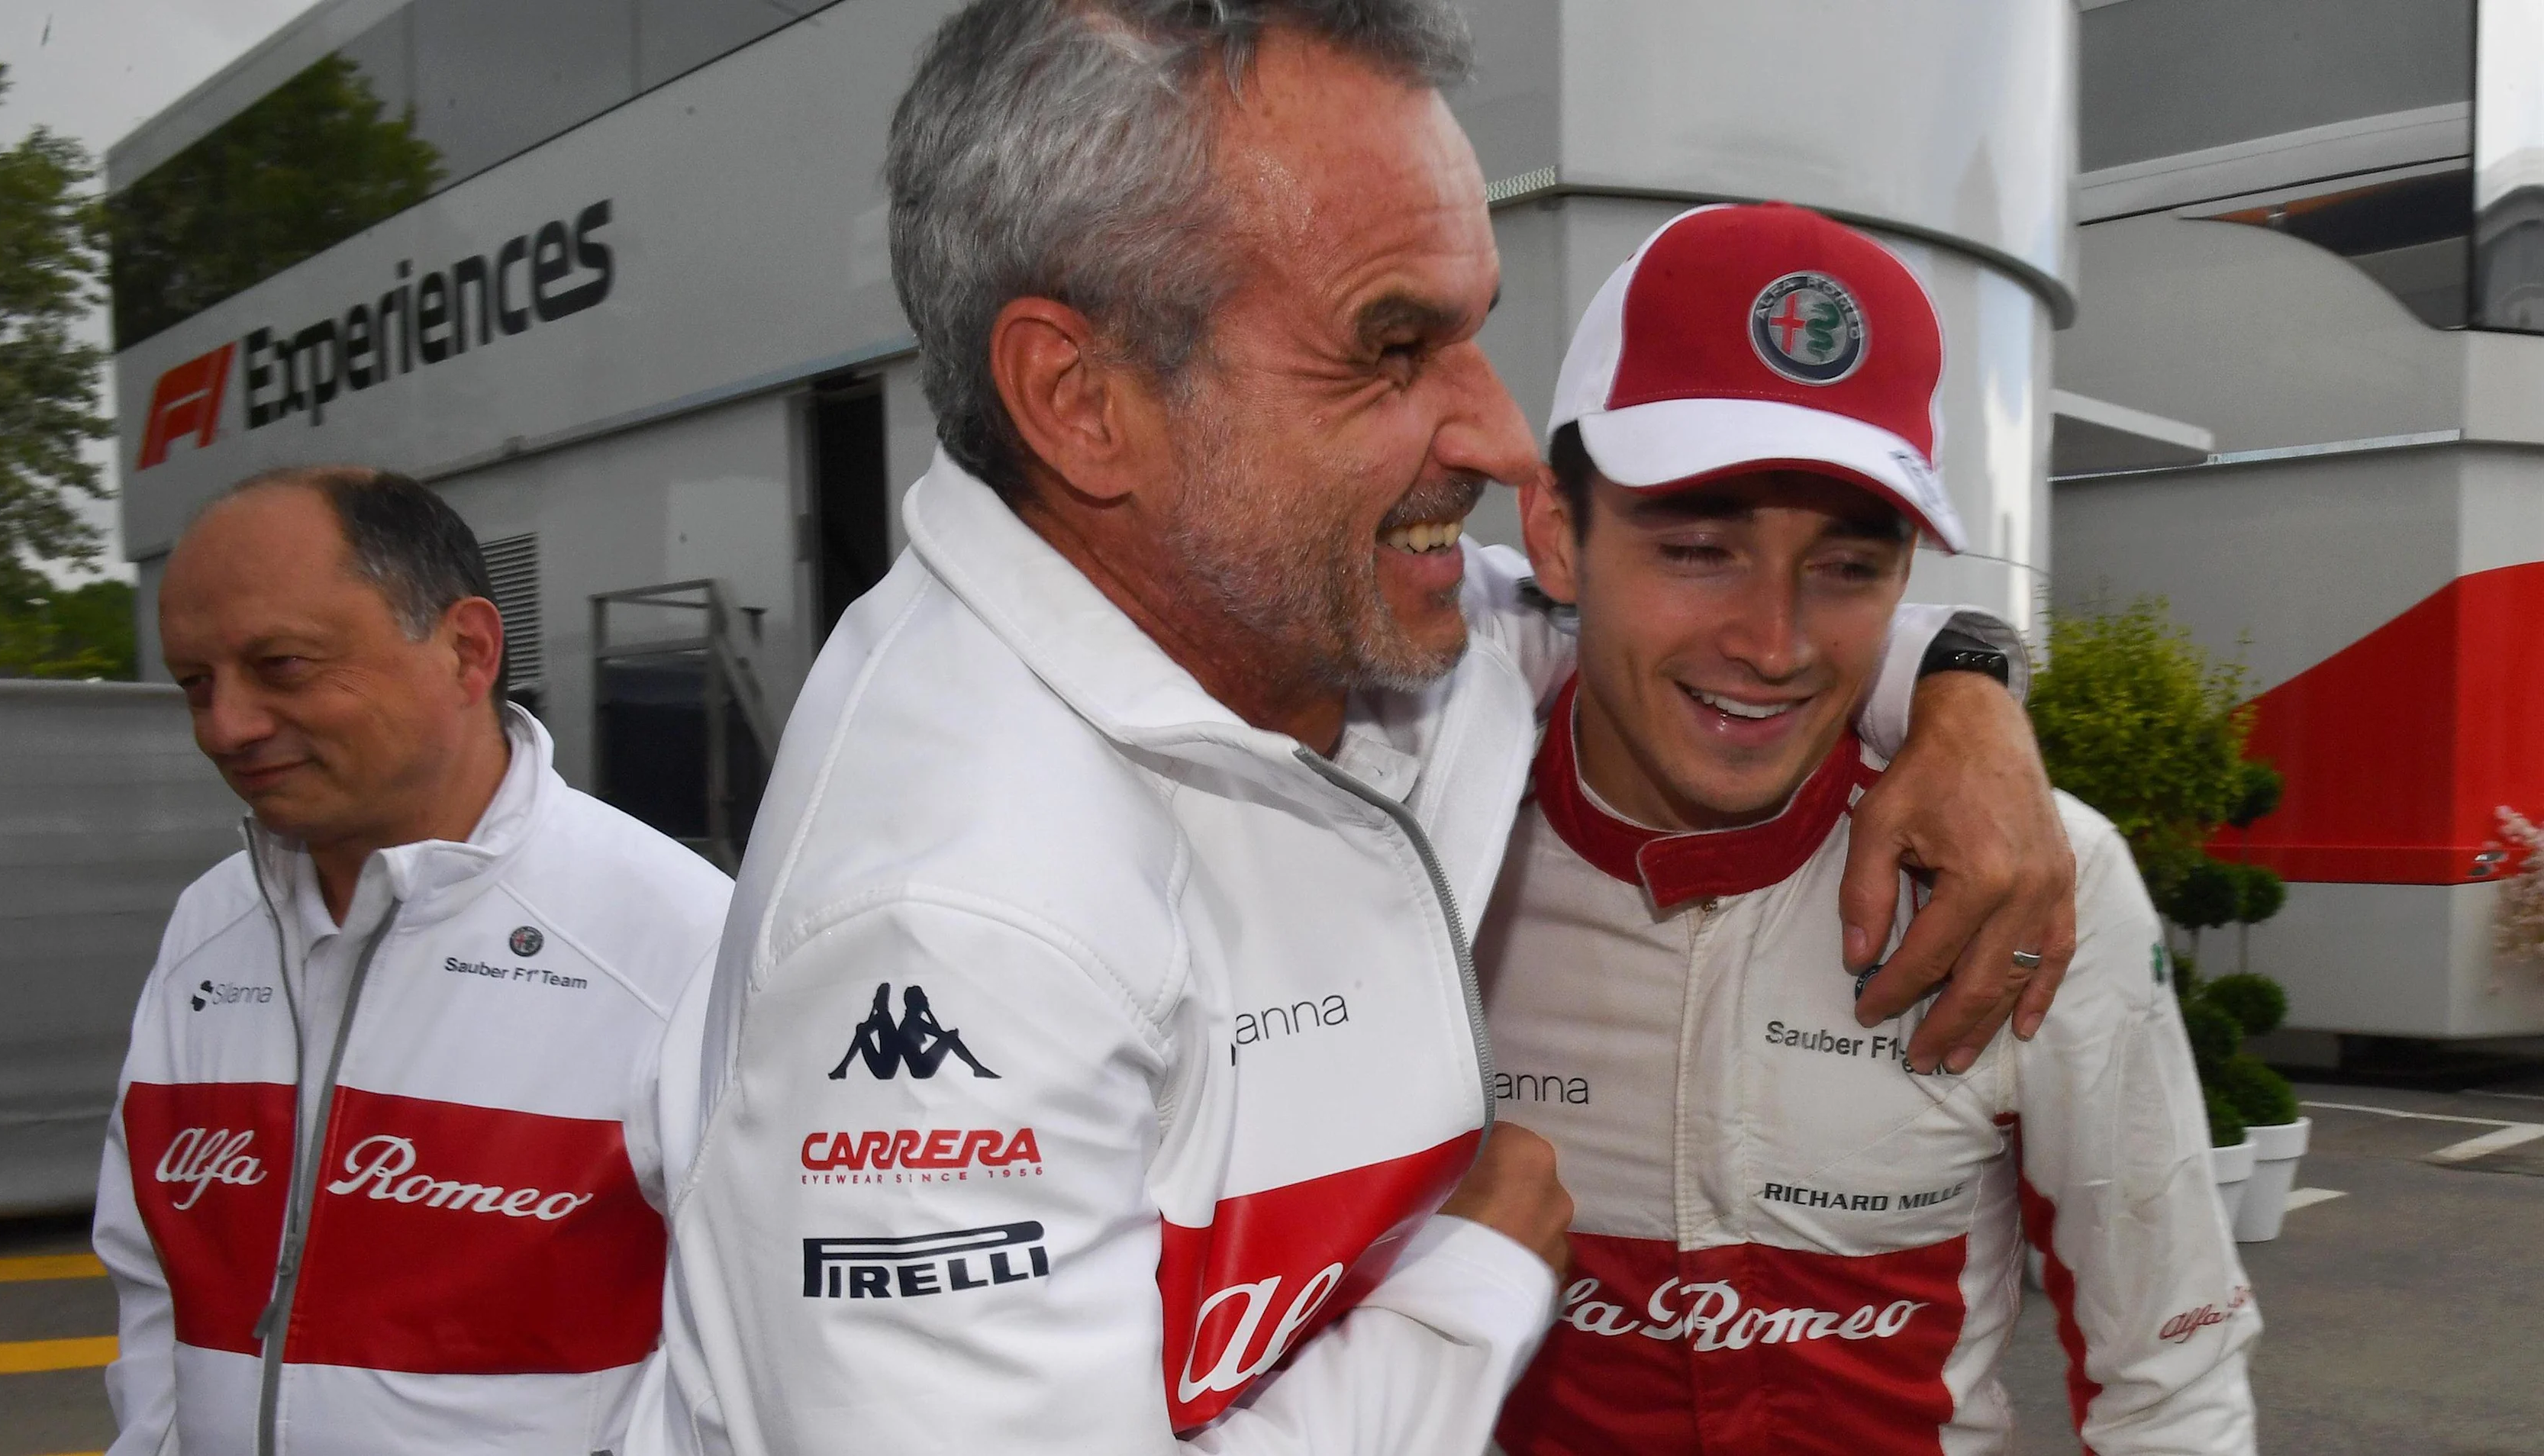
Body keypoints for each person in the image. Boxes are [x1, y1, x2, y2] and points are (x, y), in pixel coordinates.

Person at [642, 3, 2079, 1452]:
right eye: (1391, 350)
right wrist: (1473, 1287)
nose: (1503, 434)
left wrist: (1963, 691)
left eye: (1471, 334)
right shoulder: (957, 921)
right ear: (1082, 403)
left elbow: (1678, 634)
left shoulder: (1355, 626)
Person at [1479, 204, 2258, 1456]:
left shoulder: (2045, 872)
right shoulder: (1428, 835)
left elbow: (2173, 1374)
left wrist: (1971, 675)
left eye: (1848, 568)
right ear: (1557, 535)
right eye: (1697, 548)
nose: (1774, 643)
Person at [94, 468, 731, 1455]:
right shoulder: (208, 929)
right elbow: (152, 1286)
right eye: (195, 684)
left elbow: (764, 1353)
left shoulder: (682, 942)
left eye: (284, 665)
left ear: (467, 650)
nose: (227, 726)